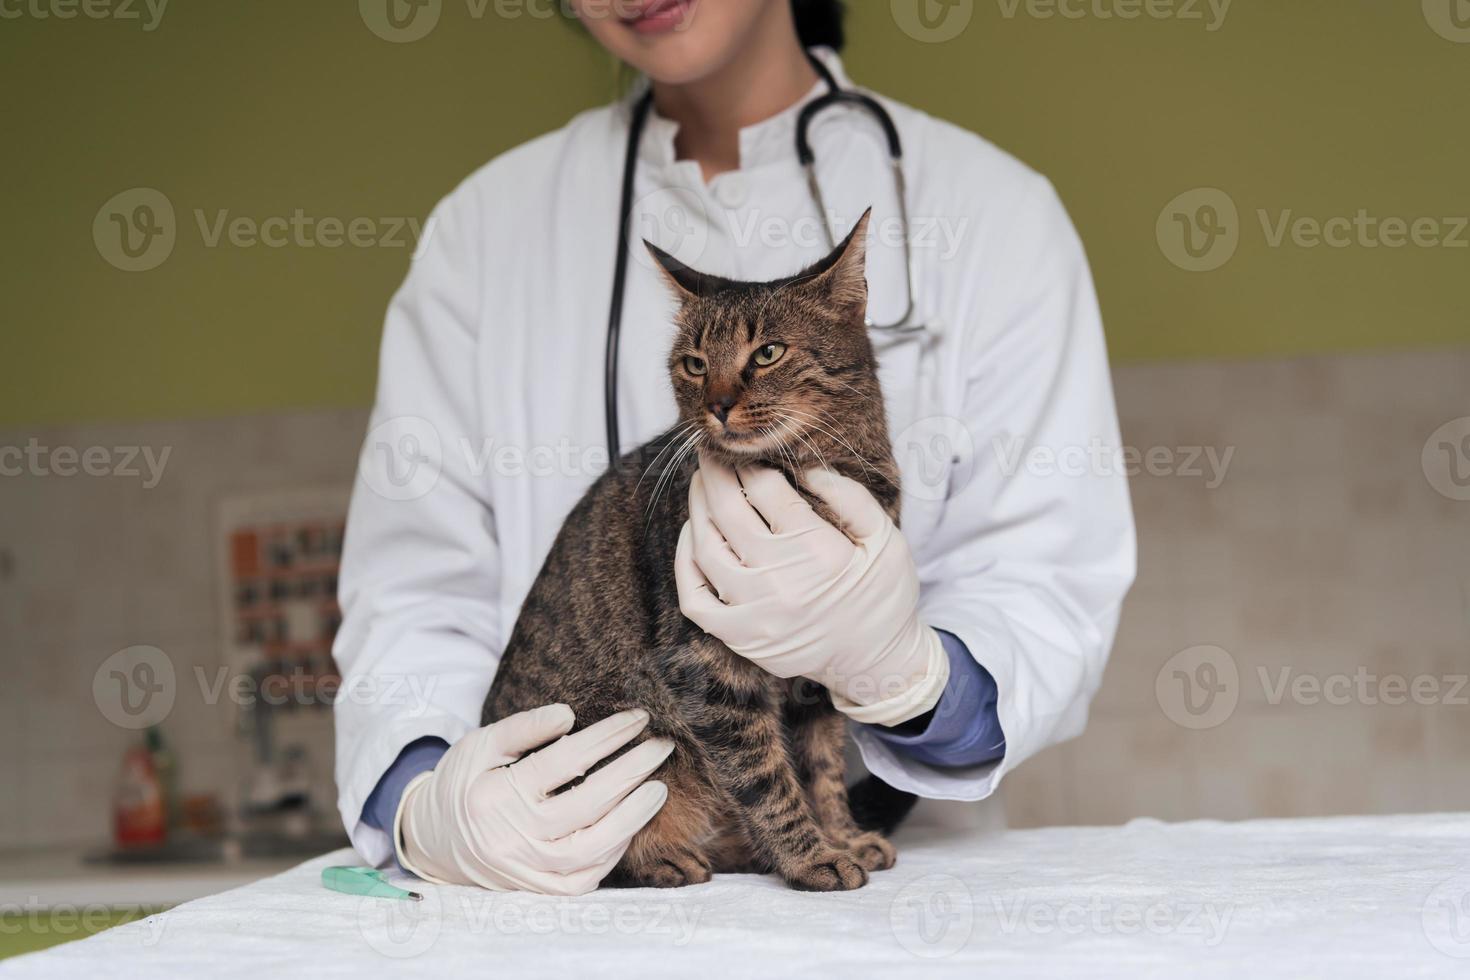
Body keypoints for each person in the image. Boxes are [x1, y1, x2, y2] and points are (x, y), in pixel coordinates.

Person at [334, 0, 1135, 894]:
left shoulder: (995, 211)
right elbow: (411, 597)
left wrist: (907, 675)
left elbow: (1051, 584)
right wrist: (425, 803)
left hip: (898, 896)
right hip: (571, 885)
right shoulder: (482, 231)